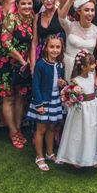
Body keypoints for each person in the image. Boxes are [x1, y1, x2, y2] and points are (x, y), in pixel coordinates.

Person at [0, 0, 35, 150]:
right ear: (17, 5)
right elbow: (5, 42)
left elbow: (32, 42)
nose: (27, 6)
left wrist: (29, 61)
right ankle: (13, 131)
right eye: (23, 3)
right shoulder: (12, 19)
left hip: (23, 65)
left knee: (20, 97)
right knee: (8, 98)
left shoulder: (31, 19)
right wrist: (22, 59)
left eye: (29, 3)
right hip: (7, 64)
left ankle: (18, 128)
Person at [57, 52, 97, 167]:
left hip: (93, 107)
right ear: (83, 66)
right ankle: (77, 157)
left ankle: (93, 157)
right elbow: (72, 94)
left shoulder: (91, 75)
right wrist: (72, 98)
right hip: (81, 110)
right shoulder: (76, 80)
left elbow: (94, 86)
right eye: (91, 64)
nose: (94, 66)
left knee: (93, 131)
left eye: (94, 63)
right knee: (79, 133)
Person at [27, 35, 66, 171]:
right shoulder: (40, 65)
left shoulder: (60, 64)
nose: (55, 50)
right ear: (46, 48)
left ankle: (50, 153)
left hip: (55, 99)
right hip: (42, 101)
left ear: (61, 49)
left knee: (51, 127)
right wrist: (39, 105)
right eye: (52, 47)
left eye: (58, 47)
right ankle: (40, 157)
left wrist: (62, 83)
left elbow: (59, 81)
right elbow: (36, 85)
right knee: (41, 129)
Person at [58, 0, 97, 83]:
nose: (90, 13)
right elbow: (61, 17)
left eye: (92, 10)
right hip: (70, 67)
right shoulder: (70, 26)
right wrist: (70, 0)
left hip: (88, 70)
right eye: (87, 10)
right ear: (79, 12)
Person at [30, 0, 65, 72]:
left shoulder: (60, 13)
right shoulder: (37, 17)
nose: (49, 0)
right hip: (41, 57)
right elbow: (34, 42)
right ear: (42, 0)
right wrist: (33, 65)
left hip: (58, 57)